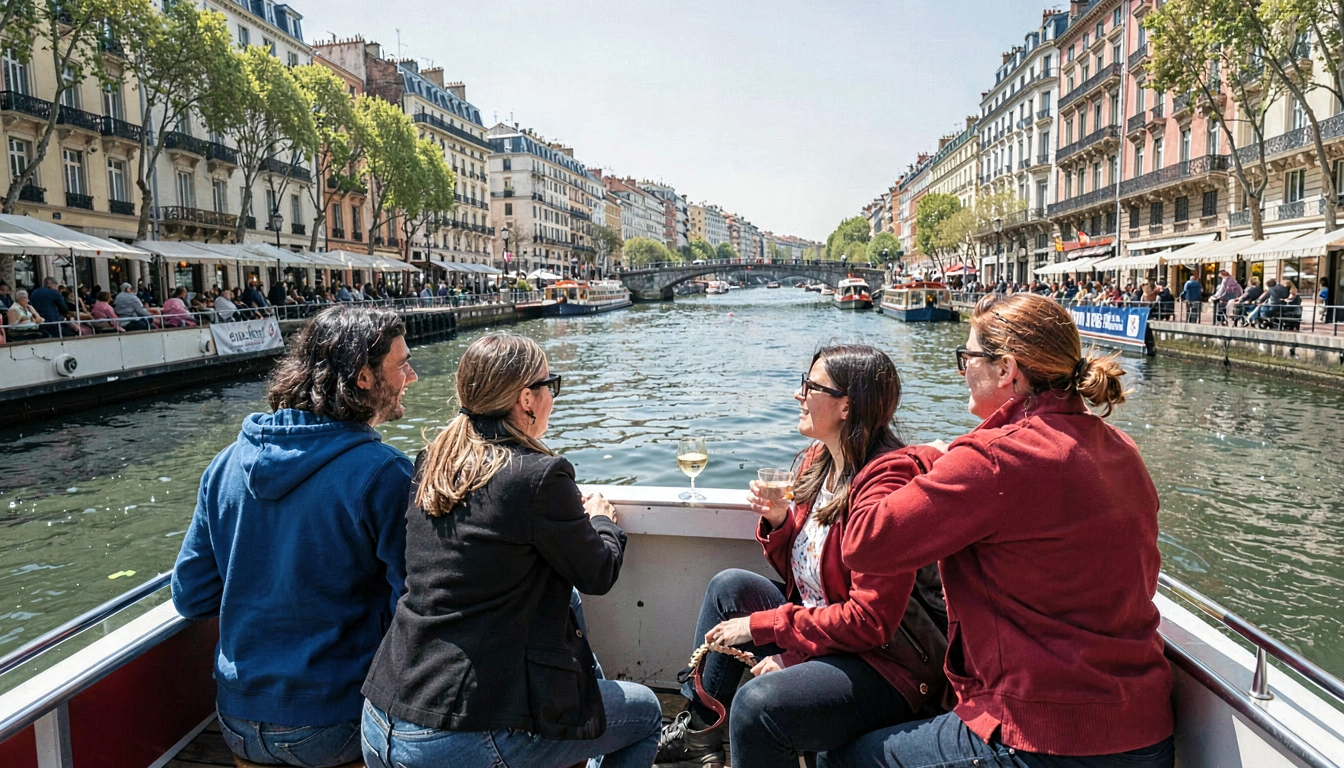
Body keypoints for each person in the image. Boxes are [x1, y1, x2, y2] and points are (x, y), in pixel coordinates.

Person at [825, 293, 1174, 768]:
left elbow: (865, 544)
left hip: (1043, 737)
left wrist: (921, 458)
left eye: (966, 357)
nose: (961, 369)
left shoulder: (992, 458)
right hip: (1146, 732)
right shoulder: (1121, 448)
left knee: (840, 758)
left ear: (1007, 369)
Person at [360, 333, 662, 768]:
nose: (551, 398)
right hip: (453, 742)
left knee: (566, 601)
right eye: (549, 386)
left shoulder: (433, 462)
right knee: (645, 713)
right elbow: (598, 573)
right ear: (526, 399)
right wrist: (601, 522)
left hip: (382, 718)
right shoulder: (539, 476)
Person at [654, 345, 948, 768]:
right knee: (729, 588)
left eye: (811, 385)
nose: (799, 394)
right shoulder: (820, 462)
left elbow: (870, 622)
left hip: (883, 662)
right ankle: (700, 735)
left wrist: (772, 634)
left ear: (846, 406)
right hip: (828, 628)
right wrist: (779, 525)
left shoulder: (885, 486)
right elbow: (809, 580)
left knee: (757, 706)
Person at [173, 305, 418, 768]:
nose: (413, 376)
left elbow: (192, 596)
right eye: (402, 364)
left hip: (239, 721)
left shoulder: (225, 464)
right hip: (335, 718)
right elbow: (414, 603)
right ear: (364, 376)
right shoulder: (383, 474)